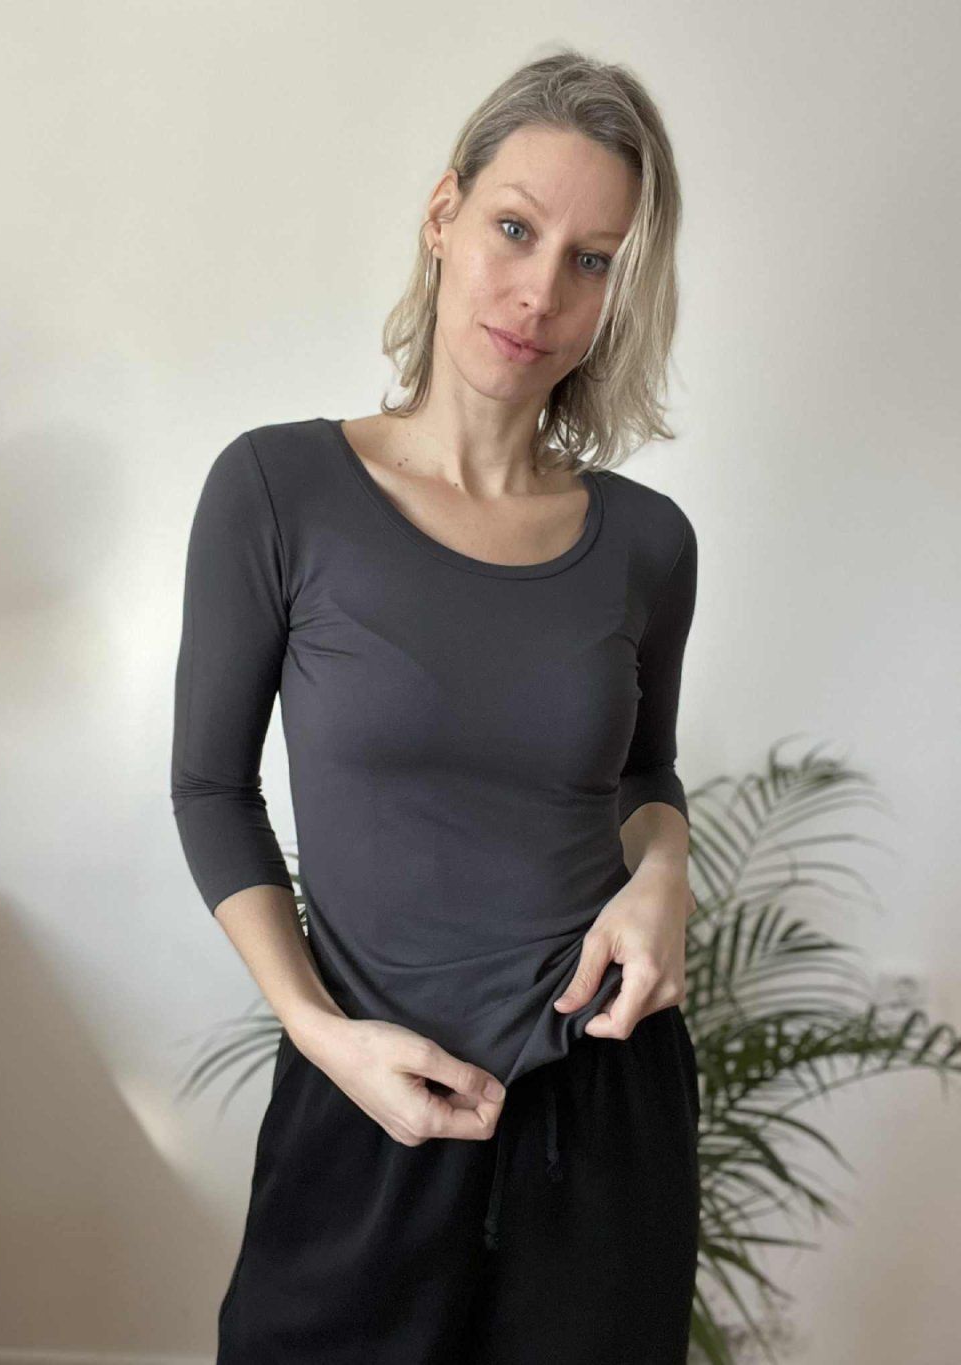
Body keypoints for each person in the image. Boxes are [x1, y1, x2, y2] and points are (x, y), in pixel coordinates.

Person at [171, 46, 701, 1365]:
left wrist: (666, 873)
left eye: (592, 260)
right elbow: (211, 789)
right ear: (444, 213)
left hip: (603, 1110)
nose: (539, 291)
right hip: (360, 1087)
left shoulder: (649, 541)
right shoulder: (277, 490)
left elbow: (646, 777)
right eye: (516, 227)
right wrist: (319, 1033)